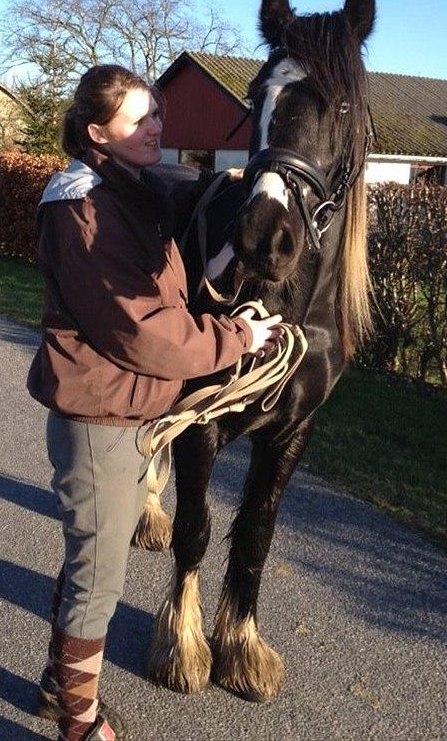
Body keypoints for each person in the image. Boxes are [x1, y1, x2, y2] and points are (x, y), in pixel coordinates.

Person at [27, 64, 281, 741]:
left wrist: (237, 192)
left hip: (123, 415)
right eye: (139, 119)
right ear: (96, 133)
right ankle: (78, 722)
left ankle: (58, 684)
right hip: (100, 422)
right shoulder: (84, 211)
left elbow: (174, 215)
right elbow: (142, 331)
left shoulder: (123, 190)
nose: (156, 129)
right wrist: (238, 338)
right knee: (98, 581)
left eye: (158, 116)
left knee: (90, 559)